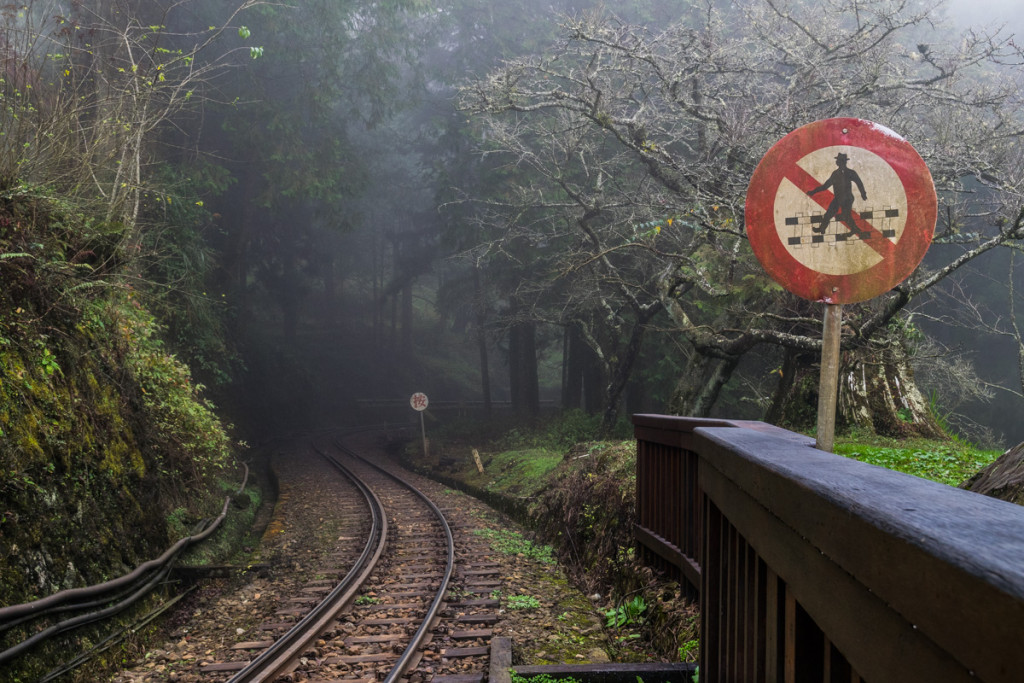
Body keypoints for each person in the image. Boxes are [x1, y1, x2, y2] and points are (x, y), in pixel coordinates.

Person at [807, 152, 867, 236]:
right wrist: (813, 192)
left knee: (846, 216)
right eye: (837, 160)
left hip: (847, 198)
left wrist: (863, 193)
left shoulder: (850, 172)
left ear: (842, 162)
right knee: (829, 214)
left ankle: (858, 231)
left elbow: (859, 183)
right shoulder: (835, 174)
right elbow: (825, 186)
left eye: (838, 160)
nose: (837, 162)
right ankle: (822, 228)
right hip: (838, 198)